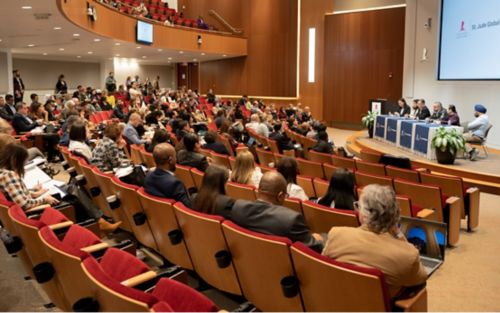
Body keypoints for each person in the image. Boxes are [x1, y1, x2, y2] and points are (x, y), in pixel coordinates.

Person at [322, 185, 427, 298]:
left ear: (365, 216)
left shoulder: (336, 235)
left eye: (358, 206)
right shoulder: (408, 256)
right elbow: (421, 278)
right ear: (395, 216)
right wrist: (397, 232)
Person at [230, 171, 324, 251]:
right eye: (285, 196)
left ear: (259, 190)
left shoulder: (238, 207)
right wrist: (321, 239)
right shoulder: (291, 219)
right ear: (280, 196)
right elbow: (315, 248)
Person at [0, 143, 59, 210]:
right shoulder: (9, 175)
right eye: (24, 162)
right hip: (30, 213)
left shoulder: (3, 171)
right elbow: (24, 204)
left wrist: (34, 191)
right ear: (16, 161)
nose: (25, 164)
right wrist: (45, 199)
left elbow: (15, 194)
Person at [144, 143, 192, 208]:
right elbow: (187, 208)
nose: (176, 159)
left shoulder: (148, 176)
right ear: (170, 160)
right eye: (175, 156)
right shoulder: (175, 183)